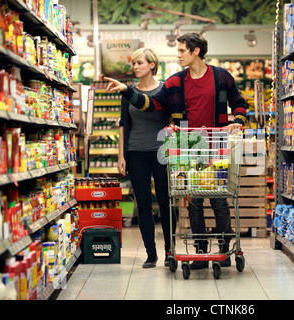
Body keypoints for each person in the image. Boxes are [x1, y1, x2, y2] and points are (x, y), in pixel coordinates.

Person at [104, 33, 247, 270]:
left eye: (182, 50)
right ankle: (201, 253)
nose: (178, 55)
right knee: (194, 201)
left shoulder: (221, 76)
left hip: (218, 144)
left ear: (196, 51)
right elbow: (149, 104)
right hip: (189, 146)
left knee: (220, 200)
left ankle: (224, 248)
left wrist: (238, 120)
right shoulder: (174, 83)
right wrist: (127, 91)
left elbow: (239, 101)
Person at [116, 47, 176, 268]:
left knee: (165, 202)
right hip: (135, 153)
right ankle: (151, 253)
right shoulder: (128, 91)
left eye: (139, 63)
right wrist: (121, 155)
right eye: (133, 63)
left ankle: (170, 251)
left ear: (152, 64)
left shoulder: (164, 91)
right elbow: (124, 124)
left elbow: (172, 120)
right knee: (143, 204)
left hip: (162, 153)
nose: (135, 67)